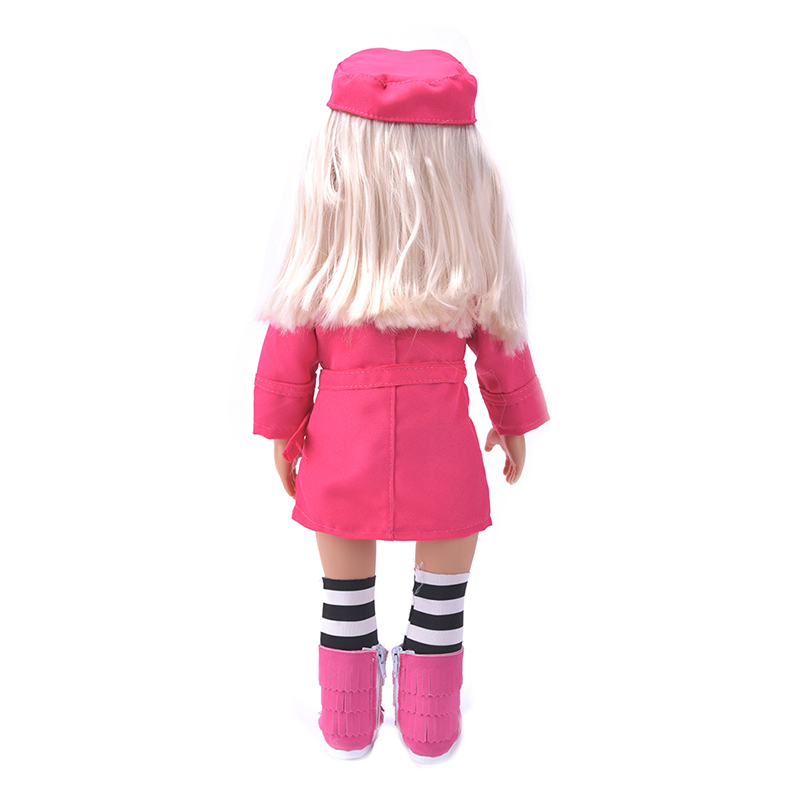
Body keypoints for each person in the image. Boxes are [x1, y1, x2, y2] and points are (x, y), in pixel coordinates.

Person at [253, 47, 549, 763]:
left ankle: (347, 723)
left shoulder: (327, 267)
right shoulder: (465, 263)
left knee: (345, 604)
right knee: (440, 610)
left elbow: (289, 349)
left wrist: (282, 429)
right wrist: (511, 421)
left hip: (341, 452)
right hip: (441, 452)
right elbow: (501, 340)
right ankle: (429, 724)